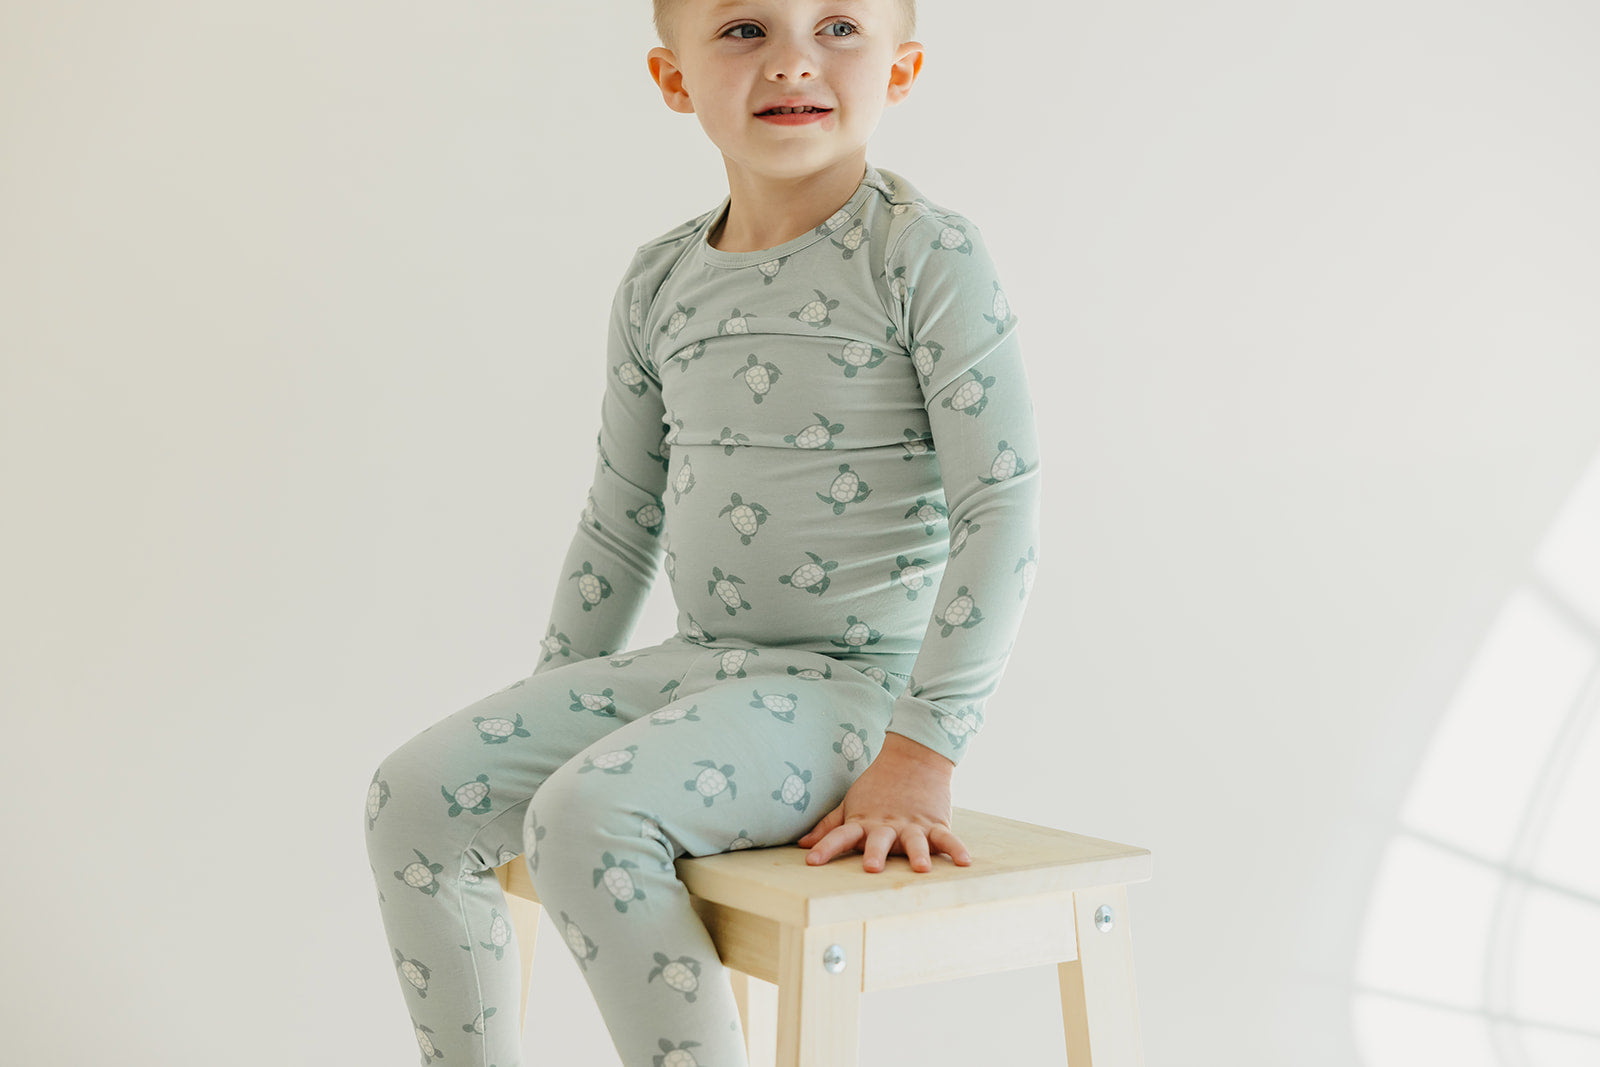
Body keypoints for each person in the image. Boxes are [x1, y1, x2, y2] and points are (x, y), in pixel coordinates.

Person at [364, 0, 1041, 1062]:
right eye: (743, 29)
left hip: (850, 693)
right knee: (410, 797)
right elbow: (621, 513)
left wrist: (923, 750)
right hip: (697, 664)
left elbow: (999, 506)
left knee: (586, 816)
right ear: (674, 79)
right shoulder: (659, 279)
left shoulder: (922, 252)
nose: (793, 61)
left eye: (837, 27)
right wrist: (558, 693)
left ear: (901, 70)